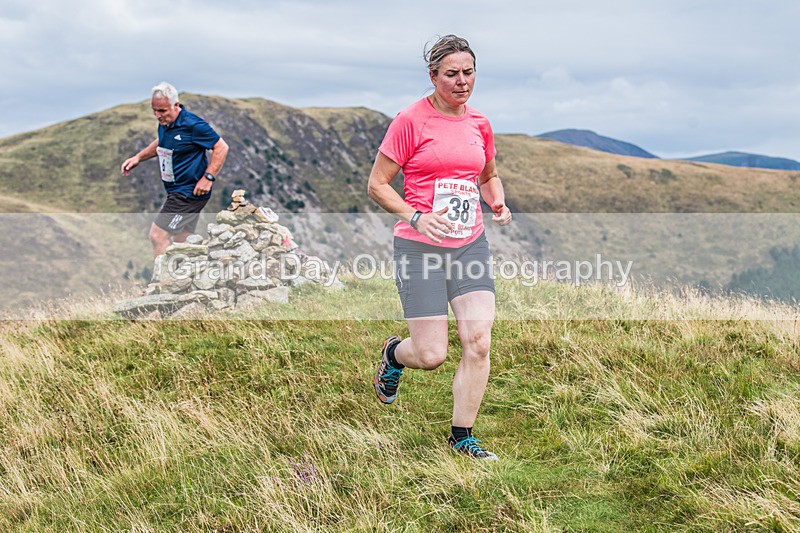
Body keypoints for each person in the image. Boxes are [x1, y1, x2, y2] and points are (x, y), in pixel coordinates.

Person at [367, 35, 512, 460]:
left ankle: (462, 436)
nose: (462, 81)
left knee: (479, 340)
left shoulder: (479, 124)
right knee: (430, 355)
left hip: (469, 245)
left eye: (468, 73)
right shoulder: (411, 121)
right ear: (433, 76)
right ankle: (394, 354)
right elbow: (377, 185)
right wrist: (416, 216)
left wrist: (497, 201)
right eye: (452, 74)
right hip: (420, 248)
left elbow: (487, 176)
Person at [121, 82, 229, 257]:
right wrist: (138, 158)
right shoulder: (166, 123)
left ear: (176, 105)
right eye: (154, 110)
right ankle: (196, 275)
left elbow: (221, 147)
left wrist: (208, 177)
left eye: (162, 111)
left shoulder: (193, 125)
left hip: (188, 193)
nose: (158, 115)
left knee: (157, 236)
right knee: (182, 239)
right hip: (176, 191)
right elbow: (162, 142)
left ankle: (160, 283)